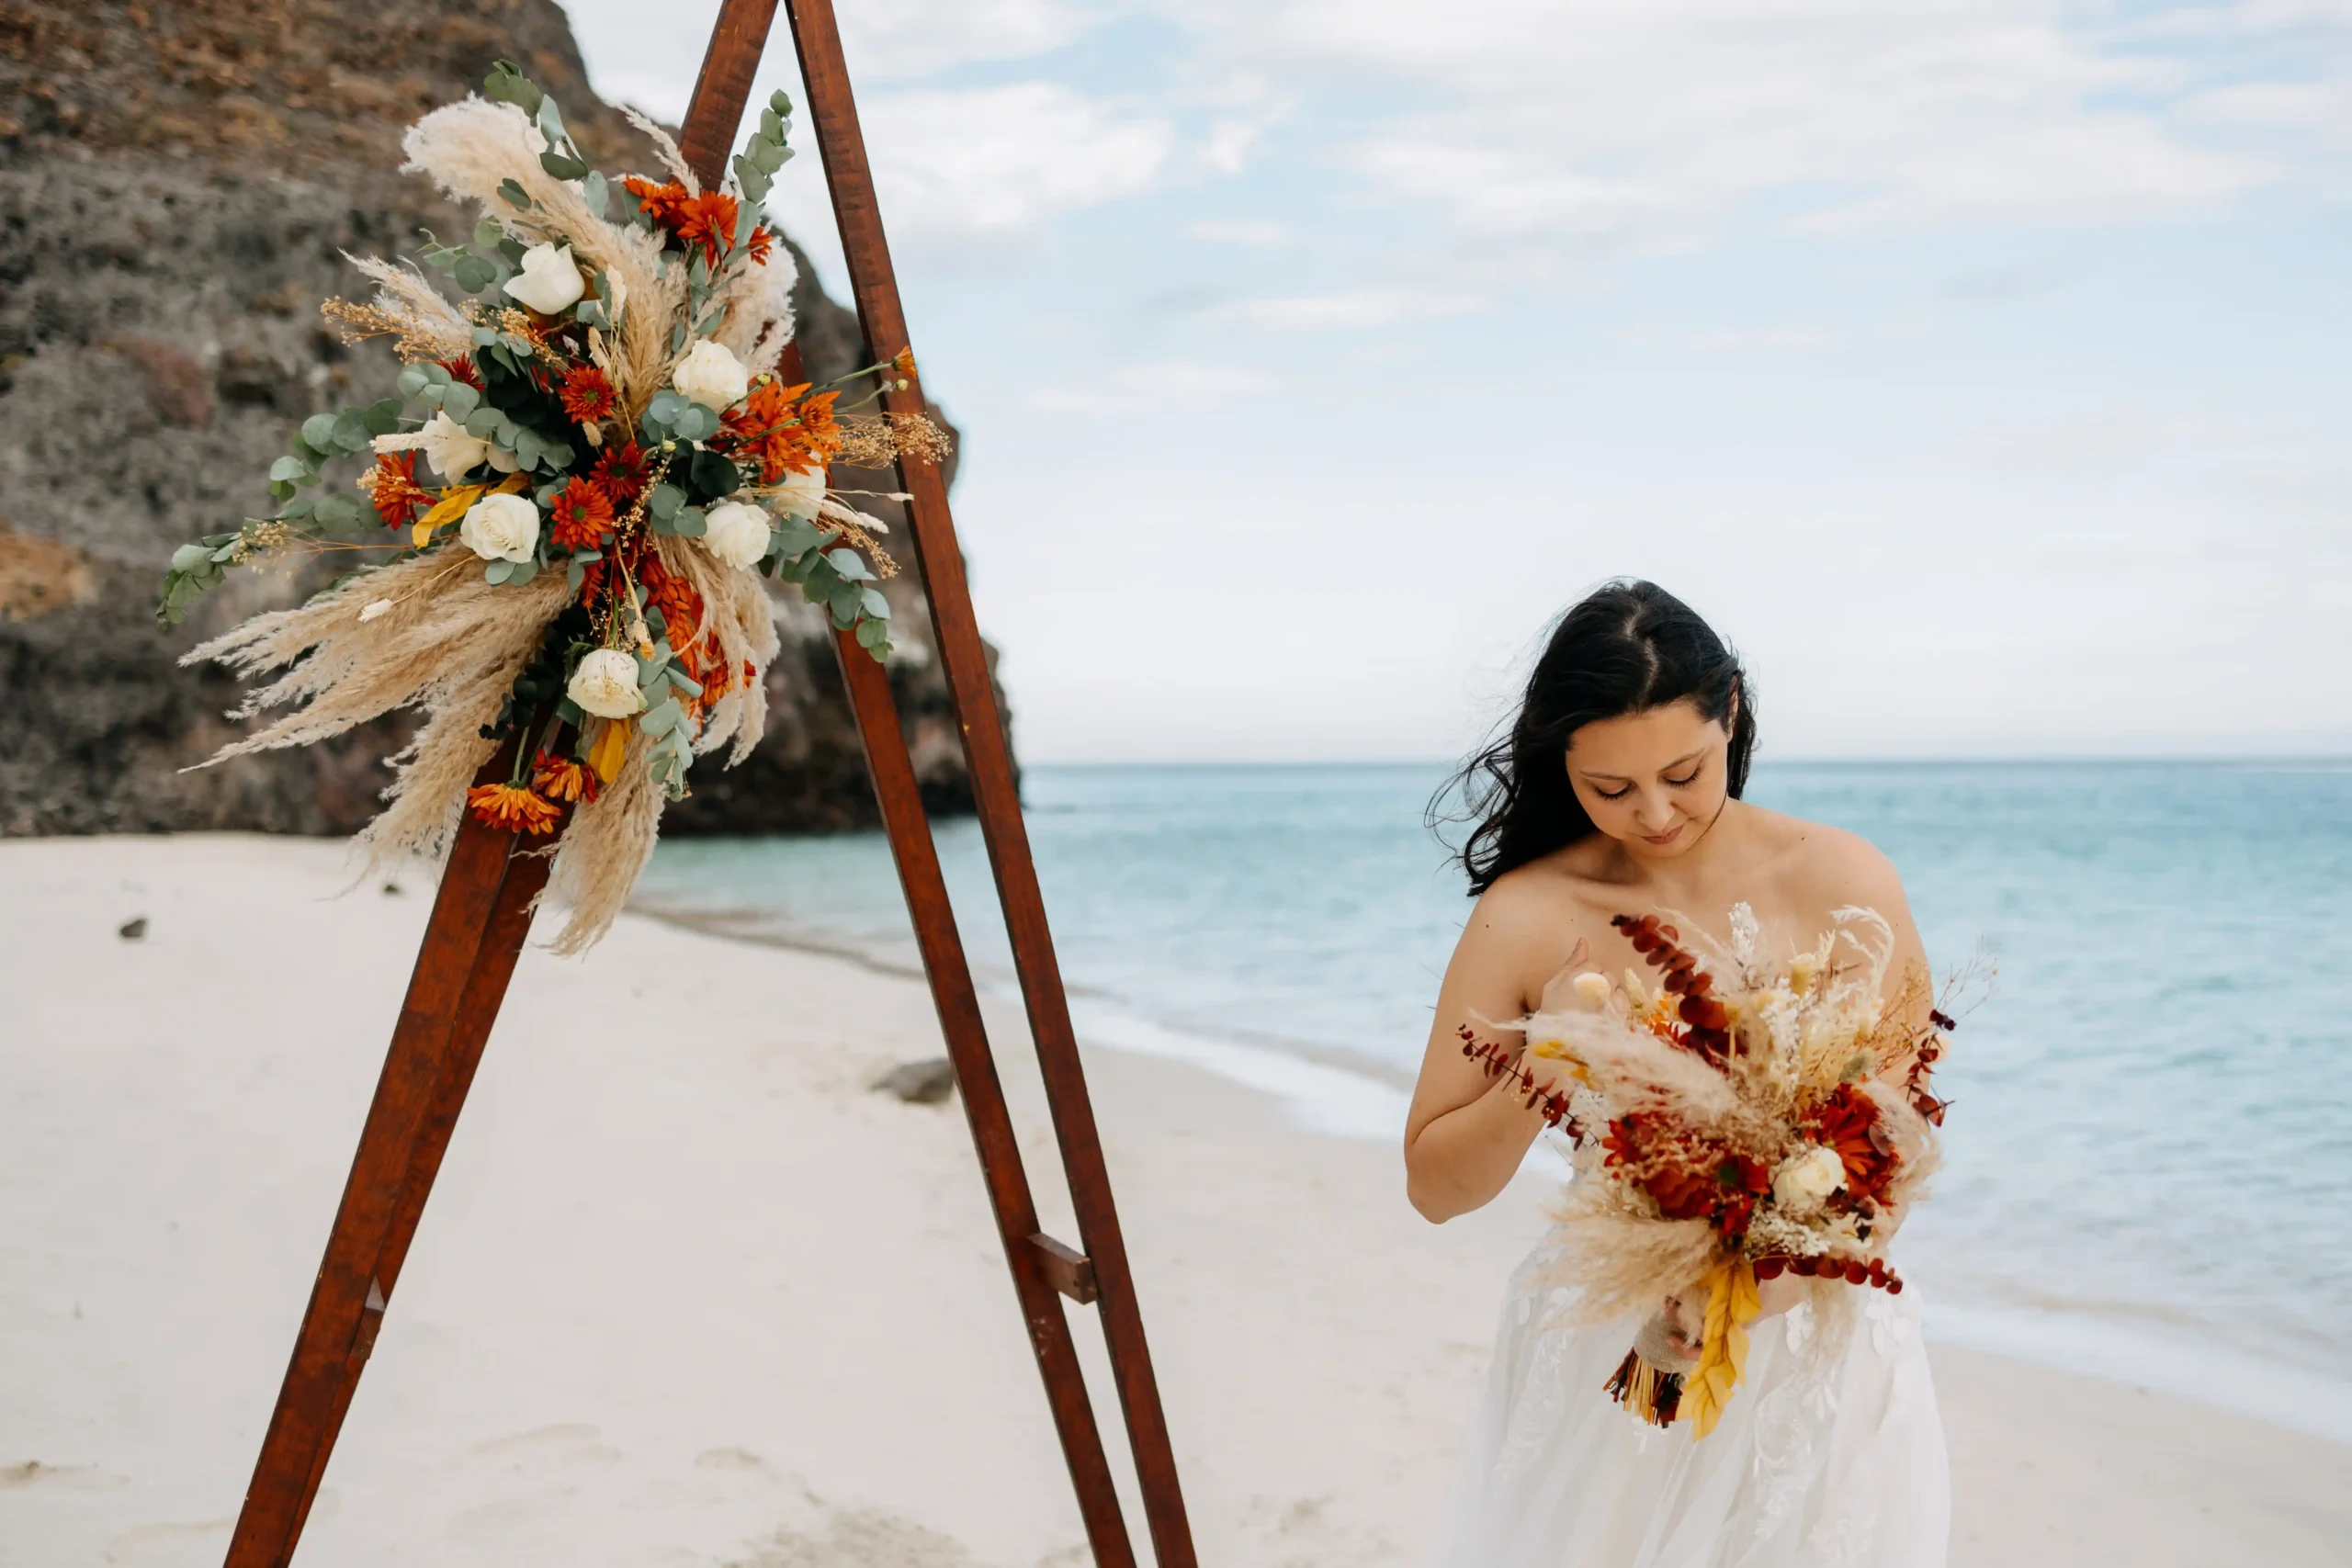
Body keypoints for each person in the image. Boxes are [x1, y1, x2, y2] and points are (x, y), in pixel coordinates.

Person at [1408, 581, 1949, 1567]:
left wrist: (1762, 1290)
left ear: (1729, 713)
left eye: (1684, 772)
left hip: (1815, 1343)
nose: (1653, 814)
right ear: (1558, 761)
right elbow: (1436, 1189)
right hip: (1606, 1346)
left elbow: (1898, 1139)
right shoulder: (1525, 915)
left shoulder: (1843, 882)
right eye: (1608, 789)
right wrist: (1545, 1063)